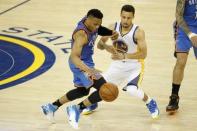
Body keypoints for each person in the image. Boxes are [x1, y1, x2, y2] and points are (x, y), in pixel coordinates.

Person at [41, 9, 118, 129]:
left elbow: (99, 29)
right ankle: (76, 109)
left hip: (85, 61)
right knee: (104, 89)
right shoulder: (81, 35)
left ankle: (51, 107)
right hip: (79, 63)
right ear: (87, 19)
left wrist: (110, 32)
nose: (97, 26)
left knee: (83, 91)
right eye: (95, 24)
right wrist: (89, 70)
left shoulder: (92, 22)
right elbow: (74, 57)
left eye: (99, 23)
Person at [83, 4, 159, 119]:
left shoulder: (138, 32)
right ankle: (93, 103)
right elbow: (100, 45)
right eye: (124, 17)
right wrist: (108, 47)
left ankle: (150, 102)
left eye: (129, 18)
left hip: (134, 66)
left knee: (132, 89)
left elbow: (144, 54)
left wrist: (124, 56)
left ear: (133, 17)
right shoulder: (112, 27)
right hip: (117, 65)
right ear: (120, 15)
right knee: (96, 82)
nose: (126, 20)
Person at [166, 0, 197, 113]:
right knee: (181, 61)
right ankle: (174, 97)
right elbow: (178, 15)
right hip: (186, 28)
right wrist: (191, 34)